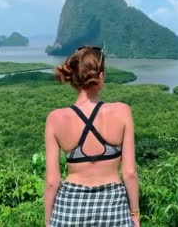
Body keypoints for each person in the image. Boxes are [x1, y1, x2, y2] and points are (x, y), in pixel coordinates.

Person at [44, 46, 139, 226]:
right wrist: (135, 214)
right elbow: (130, 173)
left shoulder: (55, 119)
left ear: (73, 78)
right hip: (113, 206)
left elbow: (52, 181)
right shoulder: (122, 112)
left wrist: (48, 222)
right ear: (101, 76)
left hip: (69, 207)